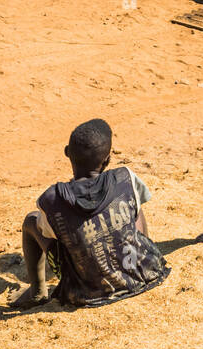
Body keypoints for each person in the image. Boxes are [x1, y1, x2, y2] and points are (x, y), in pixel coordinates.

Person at [13, 118, 169, 308]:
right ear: (108, 160)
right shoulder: (124, 176)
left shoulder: (51, 200)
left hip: (87, 291)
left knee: (31, 221)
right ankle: (137, 262)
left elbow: (51, 236)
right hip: (144, 277)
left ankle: (37, 292)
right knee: (132, 198)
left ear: (67, 153)